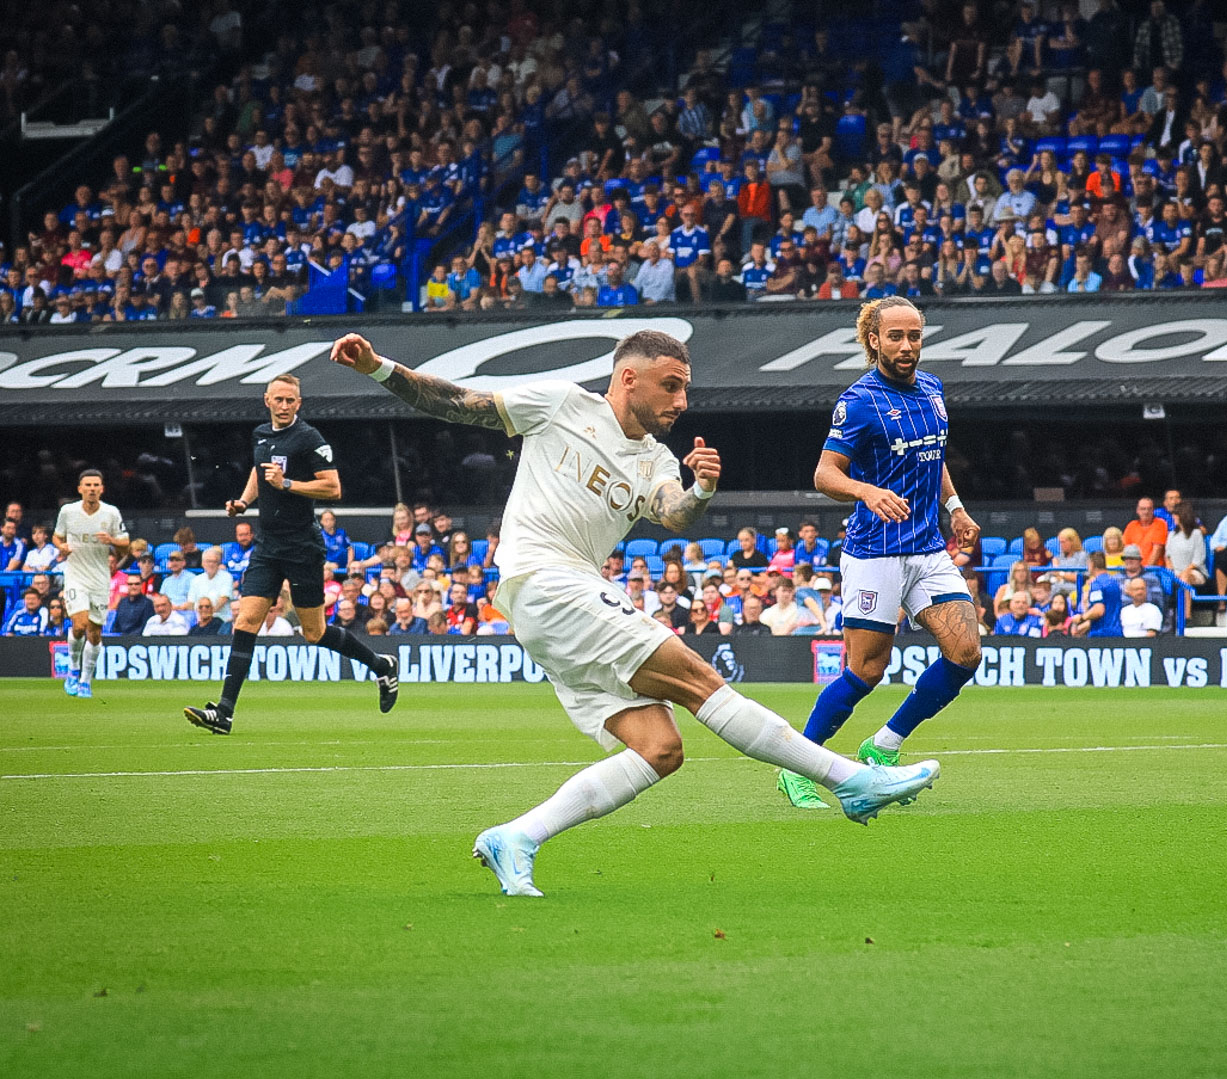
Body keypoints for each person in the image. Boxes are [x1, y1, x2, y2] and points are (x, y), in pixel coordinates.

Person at [329, 327, 939, 896]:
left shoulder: (655, 460)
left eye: (685, 388)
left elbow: (673, 513)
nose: (681, 401)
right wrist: (379, 367)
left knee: (659, 748)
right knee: (699, 680)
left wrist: (701, 489)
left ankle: (516, 837)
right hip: (546, 581)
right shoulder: (563, 404)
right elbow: (458, 402)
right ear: (628, 378)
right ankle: (850, 782)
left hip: (557, 605)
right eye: (670, 386)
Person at [776, 297, 980, 811]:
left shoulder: (932, 390)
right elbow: (825, 474)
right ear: (874, 340)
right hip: (876, 551)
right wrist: (865, 491)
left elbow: (934, 458)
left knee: (966, 653)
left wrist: (954, 508)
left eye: (914, 335)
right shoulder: (859, 401)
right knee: (867, 670)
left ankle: (884, 745)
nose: (907, 346)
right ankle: (797, 767)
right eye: (896, 336)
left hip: (928, 549)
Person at [184, 373, 397, 735]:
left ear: (299, 403)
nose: (283, 406)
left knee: (314, 632)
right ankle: (224, 712)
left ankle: (381, 665)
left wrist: (287, 483)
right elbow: (259, 472)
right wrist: (244, 501)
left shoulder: (308, 438)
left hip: (302, 546)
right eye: (278, 399)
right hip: (268, 545)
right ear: (266, 400)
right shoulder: (260, 434)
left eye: (290, 401)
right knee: (245, 621)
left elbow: (333, 488)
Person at [53, 469, 128, 698]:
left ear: (102, 489)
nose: (92, 489)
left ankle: (86, 680)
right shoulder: (68, 511)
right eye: (88, 485)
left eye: (96, 485)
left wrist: (111, 540)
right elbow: (57, 536)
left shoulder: (111, 513)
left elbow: (126, 544)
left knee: (94, 633)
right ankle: (73, 670)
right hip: (76, 576)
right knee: (79, 624)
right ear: (80, 489)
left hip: (100, 579)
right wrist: (61, 546)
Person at [1071, 553, 1125, 637]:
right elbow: (1109, 612)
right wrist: (1085, 626)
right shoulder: (1114, 582)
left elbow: (1098, 610)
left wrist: (1081, 618)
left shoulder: (1097, 584)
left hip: (1101, 635)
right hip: (1117, 633)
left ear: (1091, 564)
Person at [1122, 497, 1168, 567]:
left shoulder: (1160, 524)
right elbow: (1126, 550)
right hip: (1134, 569)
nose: (1146, 512)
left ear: (1153, 510)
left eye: (1149, 509)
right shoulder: (1131, 525)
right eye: (1143, 509)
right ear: (1137, 510)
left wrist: (1145, 570)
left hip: (1153, 569)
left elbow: (1157, 551)